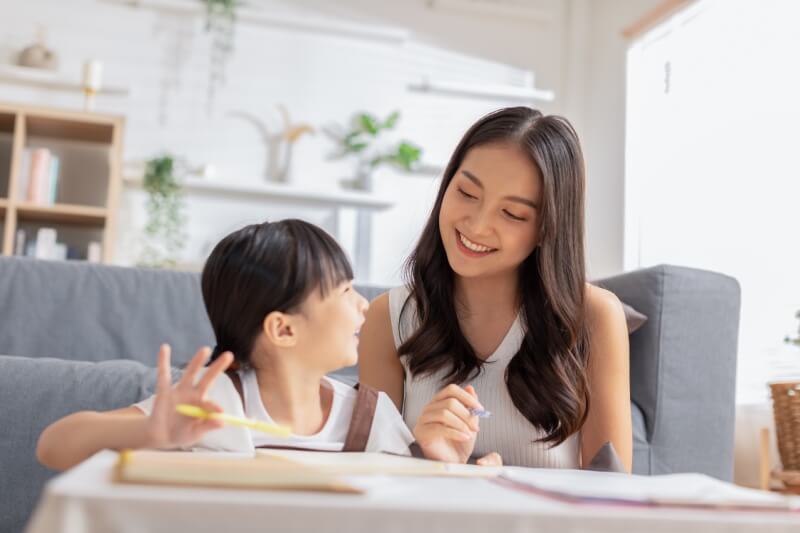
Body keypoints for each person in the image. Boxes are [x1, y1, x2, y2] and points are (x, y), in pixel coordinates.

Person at [358, 107, 632, 470]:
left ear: (547, 229)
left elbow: (612, 493)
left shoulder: (595, 316)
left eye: (513, 214)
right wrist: (425, 459)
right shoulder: (387, 318)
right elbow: (369, 486)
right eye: (467, 193)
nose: (478, 225)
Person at [37, 219, 415, 471]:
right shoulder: (210, 404)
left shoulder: (370, 417)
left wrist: (434, 452)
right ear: (283, 330)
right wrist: (150, 432)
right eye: (345, 290)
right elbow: (54, 447)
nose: (363, 304)